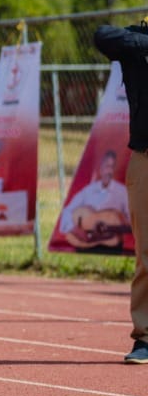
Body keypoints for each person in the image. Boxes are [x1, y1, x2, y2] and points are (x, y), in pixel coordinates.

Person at [93, 20, 148, 364]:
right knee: (147, 254)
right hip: (145, 157)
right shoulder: (135, 40)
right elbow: (103, 37)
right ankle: (145, 337)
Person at [59, 150, 131, 250]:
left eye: (112, 167)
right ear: (100, 169)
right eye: (106, 166)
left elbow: (133, 217)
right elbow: (67, 211)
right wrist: (74, 229)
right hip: (84, 243)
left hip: (111, 244)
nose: (109, 171)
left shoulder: (122, 192)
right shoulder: (88, 191)